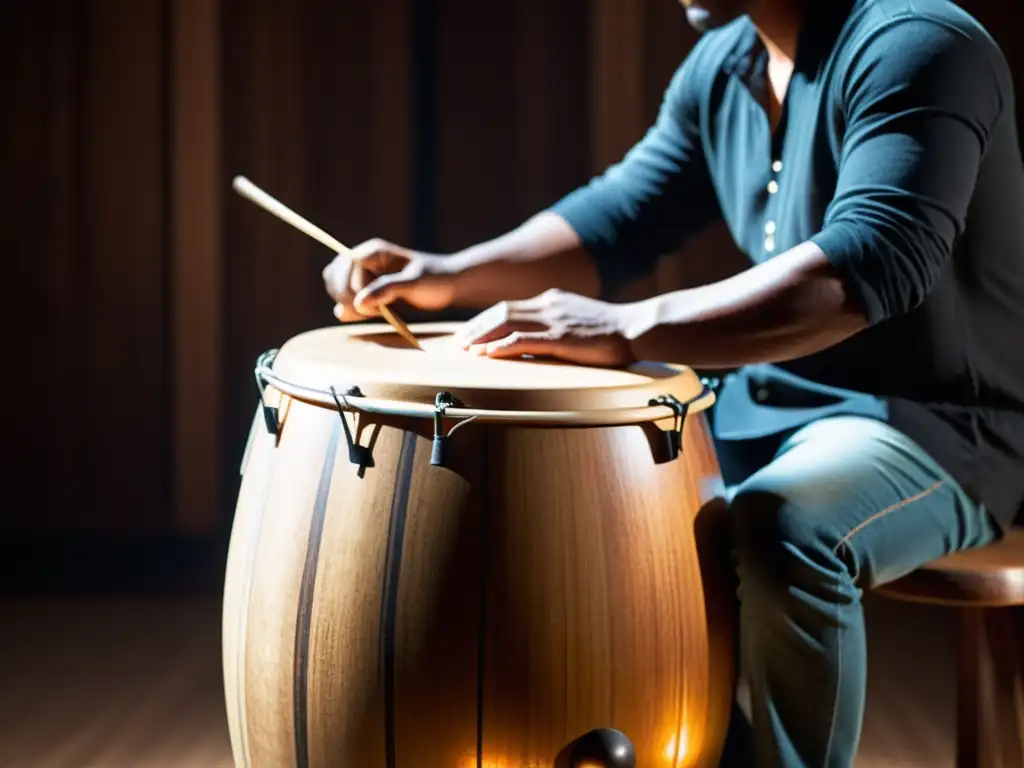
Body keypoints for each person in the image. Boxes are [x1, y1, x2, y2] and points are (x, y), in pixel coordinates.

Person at [324, 0, 1024, 764]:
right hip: (765, 410)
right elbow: (621, 217)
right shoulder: (727, 63)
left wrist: (624, 328)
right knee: (594, 509)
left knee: (784, 525)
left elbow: (867, 266)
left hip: (940, 431)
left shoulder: (921, 43)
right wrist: (447, 274)